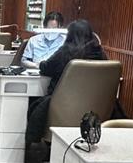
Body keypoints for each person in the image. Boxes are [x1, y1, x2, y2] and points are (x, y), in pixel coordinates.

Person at [25, 19, 106, 148]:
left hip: (62, 105)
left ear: (70, 35)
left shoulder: (65, 52)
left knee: (32, 103)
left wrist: (39, 63)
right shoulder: (99, 53)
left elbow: (46, 68)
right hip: (93, 108)